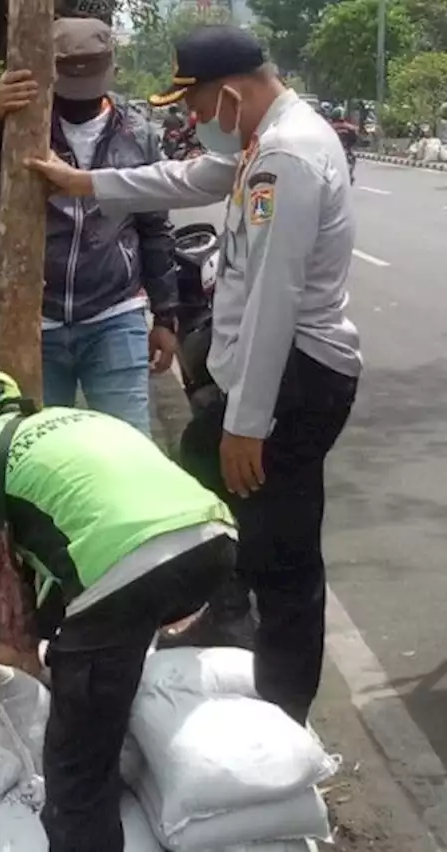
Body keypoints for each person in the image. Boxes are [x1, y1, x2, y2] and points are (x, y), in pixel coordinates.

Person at [26, 25, 362, 724]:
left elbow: (274, 299)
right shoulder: (261, 143)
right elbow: (180, 179)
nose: (194, 120)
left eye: (200, 105)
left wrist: (248, 421)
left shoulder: (286, 159)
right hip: (286, 370)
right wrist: (83, 181)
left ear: (233, 93)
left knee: (284, 547)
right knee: (205, 469)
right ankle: (228, 616)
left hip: (297, 372)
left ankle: (283, 701)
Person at [0, 368, 236, 852]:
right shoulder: (77, 420)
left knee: (75, 771)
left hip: (127, 571)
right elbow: (68, 547)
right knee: (107, 677)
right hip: (214, 543)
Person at [0, 17, 179, 435]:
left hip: (114, 315)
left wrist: (167, 316)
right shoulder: (26, 124)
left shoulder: (138, 133)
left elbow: (154, 227)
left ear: (110, 71)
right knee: (37, 451)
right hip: (35, 320)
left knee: (127, 448)